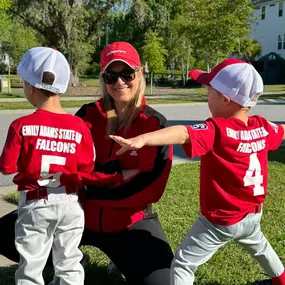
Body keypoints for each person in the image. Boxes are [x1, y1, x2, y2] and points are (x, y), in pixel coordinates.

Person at [0, 42, 174, 285]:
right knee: (5, 235)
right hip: (78, 214)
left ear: (140, 73)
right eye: (111, 76)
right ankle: (72, 259)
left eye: (127, 74)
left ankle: (119, 260)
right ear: (103, 78)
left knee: (164, 282)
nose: (119, 82)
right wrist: (118, 173)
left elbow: (150, 186)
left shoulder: (154, 124)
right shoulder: (87, 115)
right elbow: (66, 166)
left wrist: (91, 182)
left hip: (127, 223)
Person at [110, 58, 285, 285]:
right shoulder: (261, 126)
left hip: (220, 221)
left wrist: (142, 139)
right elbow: (281, 131)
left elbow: (183, 133)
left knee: (183, 264)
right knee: (260, 247)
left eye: (210, 91)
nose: (207, 95)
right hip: (252, 215)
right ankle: (280, 280)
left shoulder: (217, 129)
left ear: (225, 98)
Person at [0, 47, 95, 285]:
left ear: (30, 87)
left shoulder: (20, 125)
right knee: (69, 262)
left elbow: (7, 168)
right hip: (70, 203)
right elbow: (87, 168)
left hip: (36, 202)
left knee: (31, 266)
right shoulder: (80, 126)